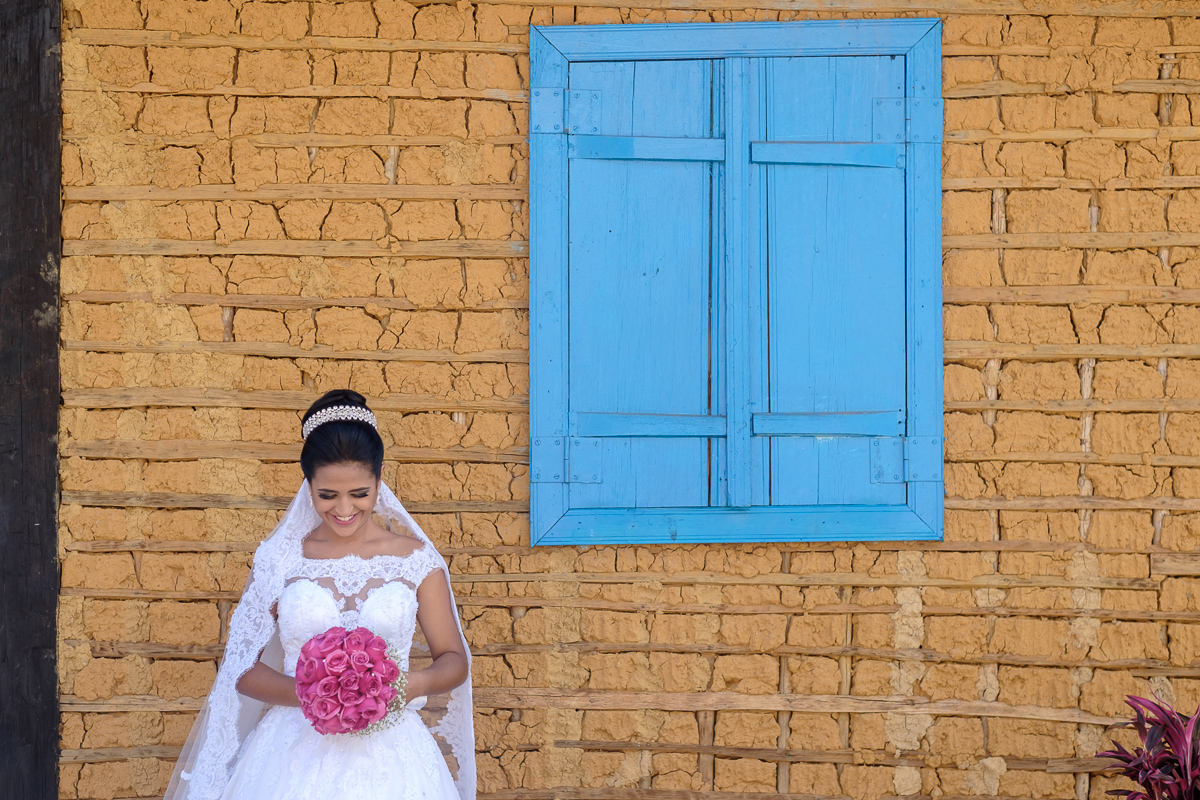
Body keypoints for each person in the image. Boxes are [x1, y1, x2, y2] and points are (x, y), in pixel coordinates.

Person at [164, 390, 475, 800]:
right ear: (308, 485)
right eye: (328, 495)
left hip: (393, 758)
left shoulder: (415, 560)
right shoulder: (281, 561)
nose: (344, 509)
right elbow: (241, 666)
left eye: (359, 493)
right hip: (290, 757)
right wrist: (318, 693)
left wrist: (406, 686)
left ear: (379, 480)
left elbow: (453, 661)